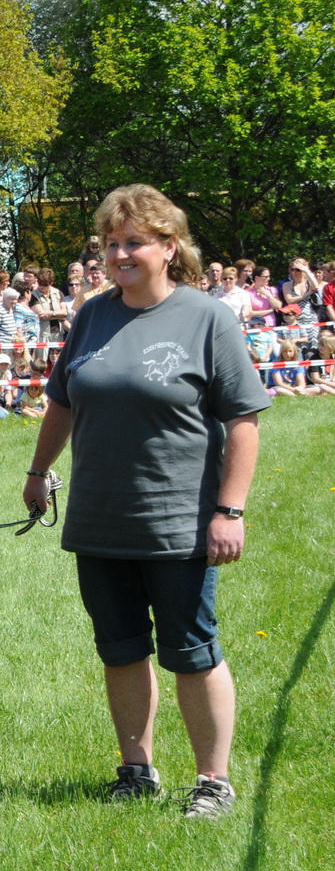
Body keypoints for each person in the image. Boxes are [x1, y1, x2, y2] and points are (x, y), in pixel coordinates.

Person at [23, 185, 267, 820]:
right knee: (121, 647)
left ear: (169, 246)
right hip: (101, 520)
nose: (120, 254)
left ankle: (213, 781)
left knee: (193, 650)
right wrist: (38, 470)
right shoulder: (92, 316)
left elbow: (243, 420)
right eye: (111, 244)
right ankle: (136, 769)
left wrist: (230, 510)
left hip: (179, 522)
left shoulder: (207, 318)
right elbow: (63, 402)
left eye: (134, 242)